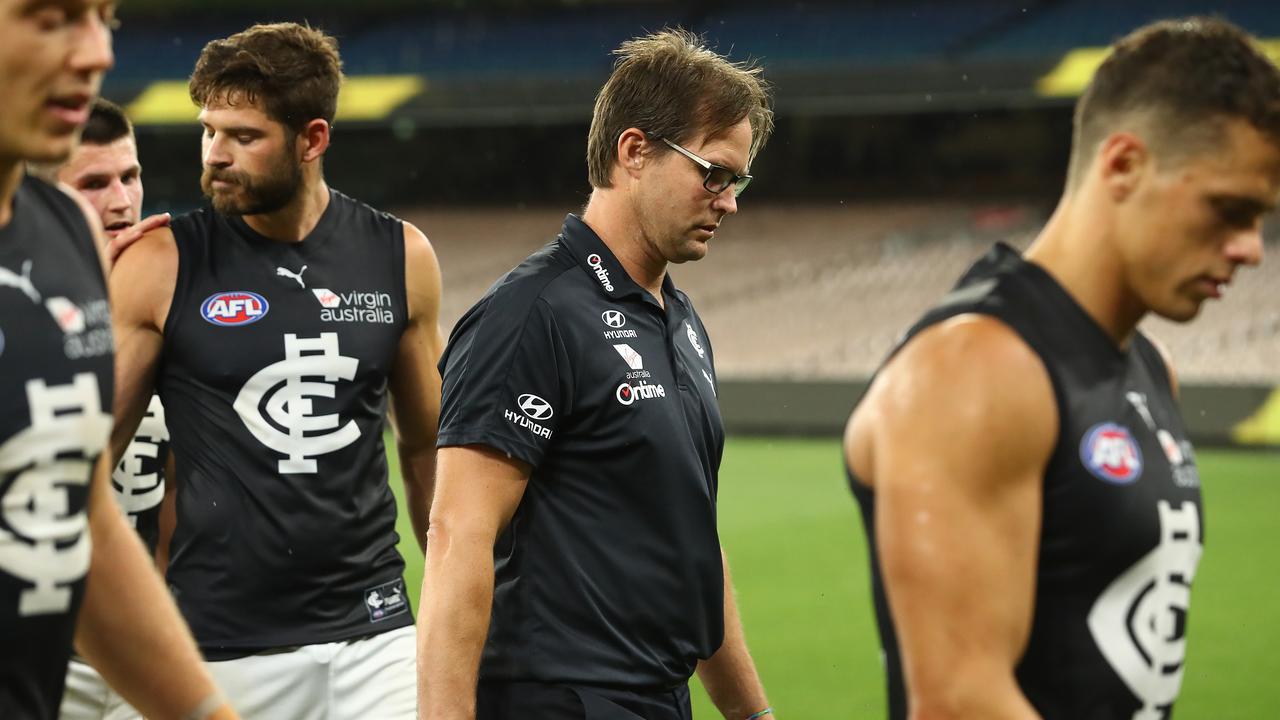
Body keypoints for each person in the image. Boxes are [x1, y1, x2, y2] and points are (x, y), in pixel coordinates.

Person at [844, 17, 1280, 720]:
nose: (1250, 249)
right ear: (1123, 166)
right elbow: (959, 703)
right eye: (1228, 210)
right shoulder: (978, 367)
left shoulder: (1147, 365)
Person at [420, 28, 775, 720]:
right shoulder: (531, 314)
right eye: (713, 173)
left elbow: (691, 546)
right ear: (634, 151)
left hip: (659, 700)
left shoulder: (680, 322)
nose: (728, 200)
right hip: (558, 700)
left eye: (737, 180)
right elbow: (457, 537)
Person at [109, 21, 444, 719]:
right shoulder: (160, 265)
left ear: (312, 140)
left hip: (377, 635)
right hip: (221, 646)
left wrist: (457, 598)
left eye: (243, 136)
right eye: (209, 131)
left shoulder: (401, 257)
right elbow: (85, 461)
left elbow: (425, 450)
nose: (215, 155)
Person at [0, 1, 237, 719]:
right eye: (52, 18)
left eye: (105, 18)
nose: (96, 52)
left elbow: (77, 512)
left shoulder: (58, 232)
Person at [28, 96, 176, 720]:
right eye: (94, 183)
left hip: (150, 641)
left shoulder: (181, 295)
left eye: (130, 176)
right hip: (42, 645)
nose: (121, 201)